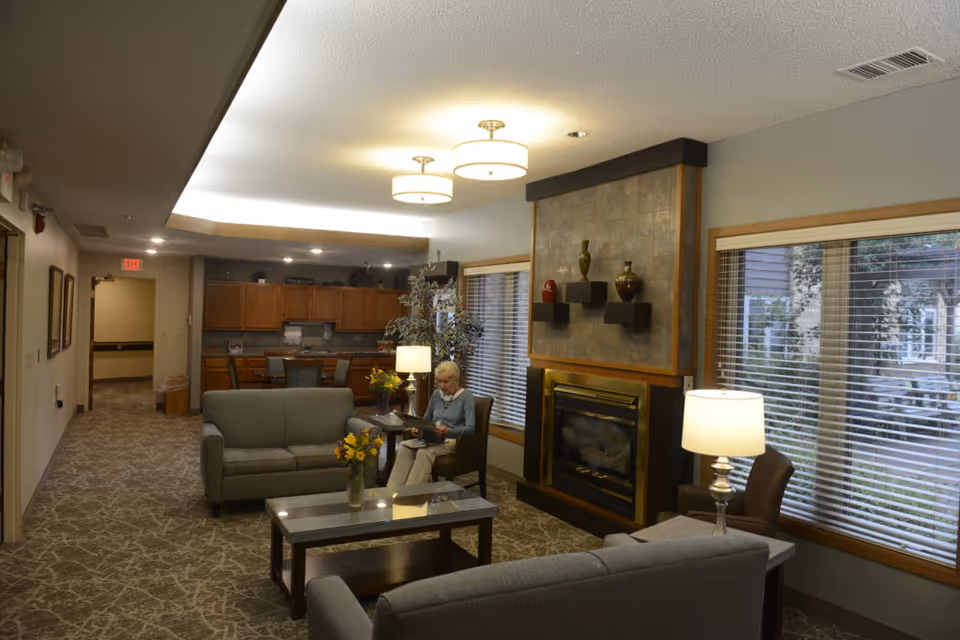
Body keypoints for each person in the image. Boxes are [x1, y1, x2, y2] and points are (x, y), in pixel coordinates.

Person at [387, 361, 475, 487]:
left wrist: (448, 431)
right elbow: (427, 418)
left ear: (456, 380)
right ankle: (392, 491)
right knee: (405, 447)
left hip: (452, 439)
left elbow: (471, 428)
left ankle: (412, 495)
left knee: (424, 453)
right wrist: (418, 428)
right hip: (432, 437)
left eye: (446, 382)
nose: (441, 386)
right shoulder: (436, 395)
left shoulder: (466, 397)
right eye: (439, 381)